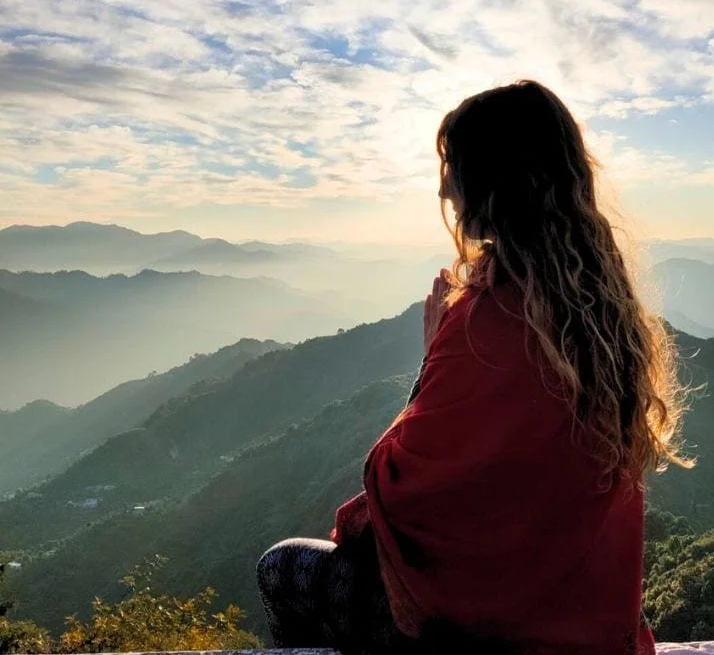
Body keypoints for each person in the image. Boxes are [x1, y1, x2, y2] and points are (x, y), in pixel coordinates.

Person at [256, 79, 691, 655]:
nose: (444, 187)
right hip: (586, 619)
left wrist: (432, 356)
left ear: (491, 182)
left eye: (452, 167)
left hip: (492, 627)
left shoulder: (487, 319)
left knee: (282, 567)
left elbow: (404, 488)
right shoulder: (606, 320)